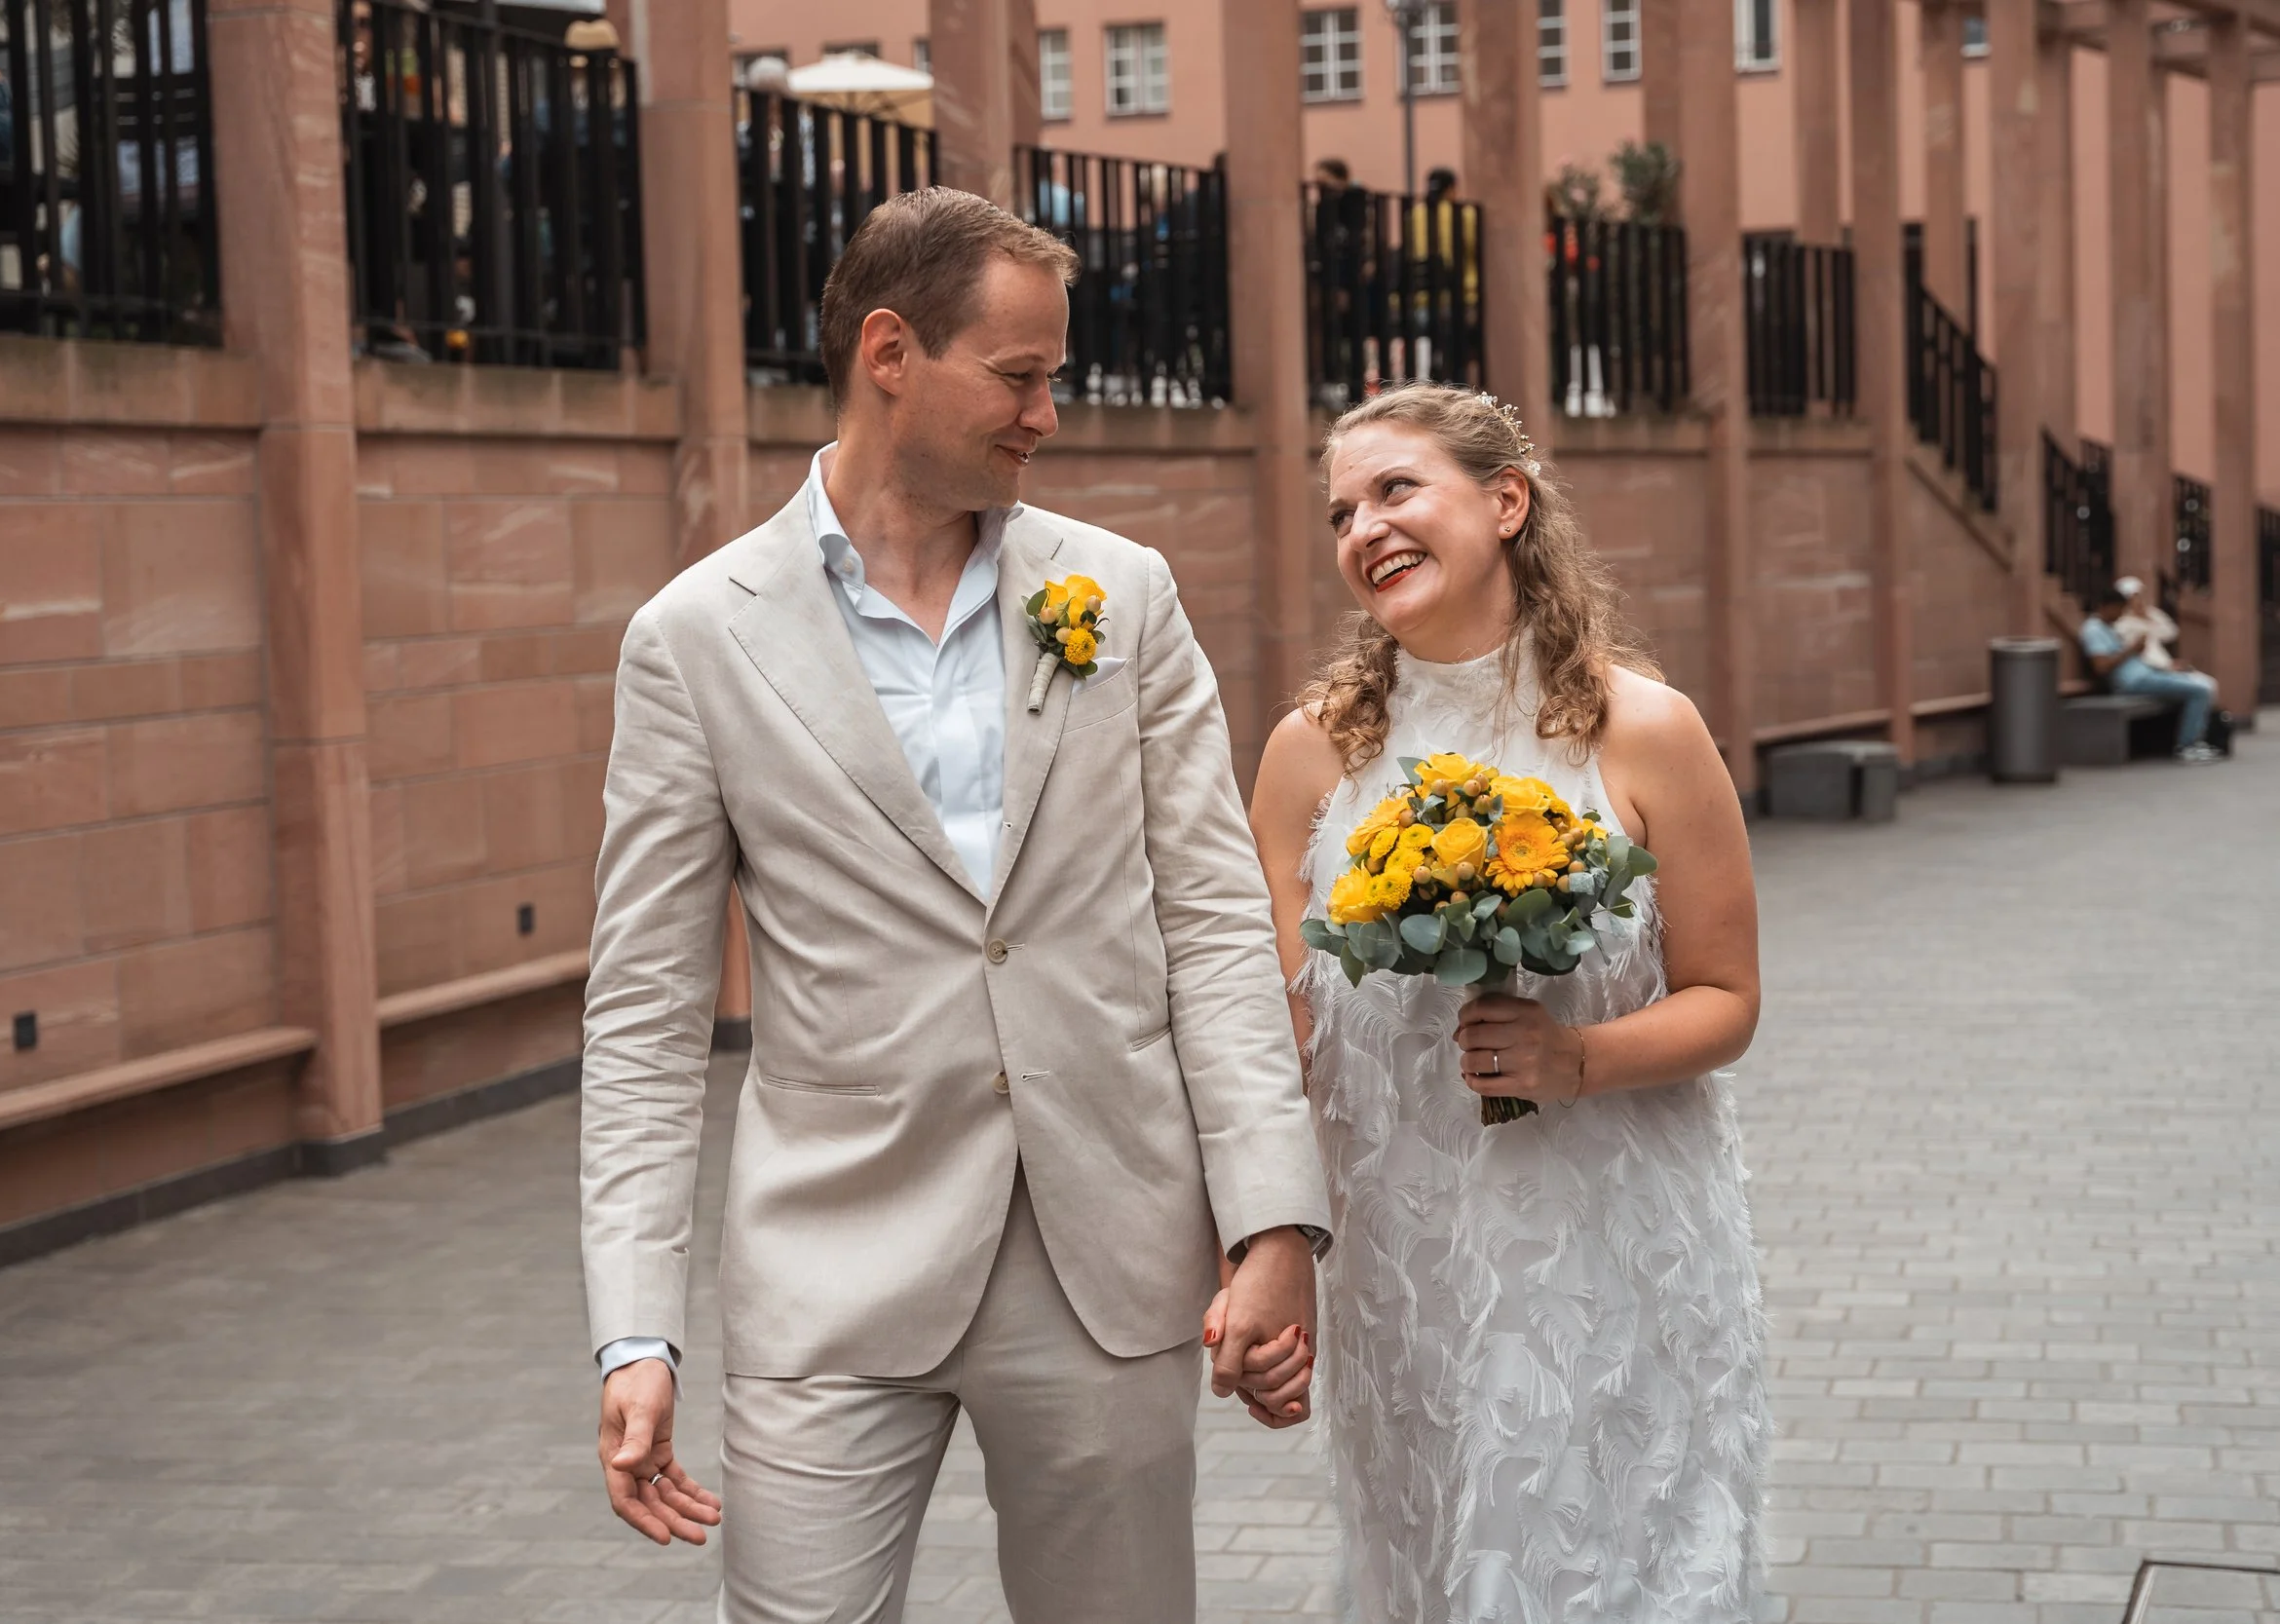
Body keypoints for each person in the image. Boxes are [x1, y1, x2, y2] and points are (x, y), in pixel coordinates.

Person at [580, 187, 1331, 1622]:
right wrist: (635, 1330)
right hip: (832, 1263)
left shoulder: (1124, 593)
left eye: (1055, 375)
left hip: (1105, 1252)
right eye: (1021, 373)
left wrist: (1272, 1218)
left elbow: (1216, 927)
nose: (1049, 412)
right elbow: (646, 1014)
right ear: (888, 352)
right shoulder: (693, 637)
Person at [1247, 384, 1770, 1620]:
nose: (1362, 527)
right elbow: (1275, 1037)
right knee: (1433, 1554)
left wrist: (1574, 1057)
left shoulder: (1642, 730)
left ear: (1505, 501)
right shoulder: (1308, 753)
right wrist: (1257, 1247)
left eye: (1394, 489)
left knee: (1615, 1559)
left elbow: (1729, 997)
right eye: (1339, 511)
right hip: (1405, 1262)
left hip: (1610, 1243)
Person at [2080, 584, 2223, 763]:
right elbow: (2101, 665)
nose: (2121, 614)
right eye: (2119, 610)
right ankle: (2188, 746)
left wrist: (2162, 666)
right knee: (2199, 691)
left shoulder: (2107, 627)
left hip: (2146, 674)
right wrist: (2131, 650)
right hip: (2133, 682)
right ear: (2107, 607)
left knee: (2201, 683)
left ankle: (2195, 741)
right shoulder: (2093, 629)